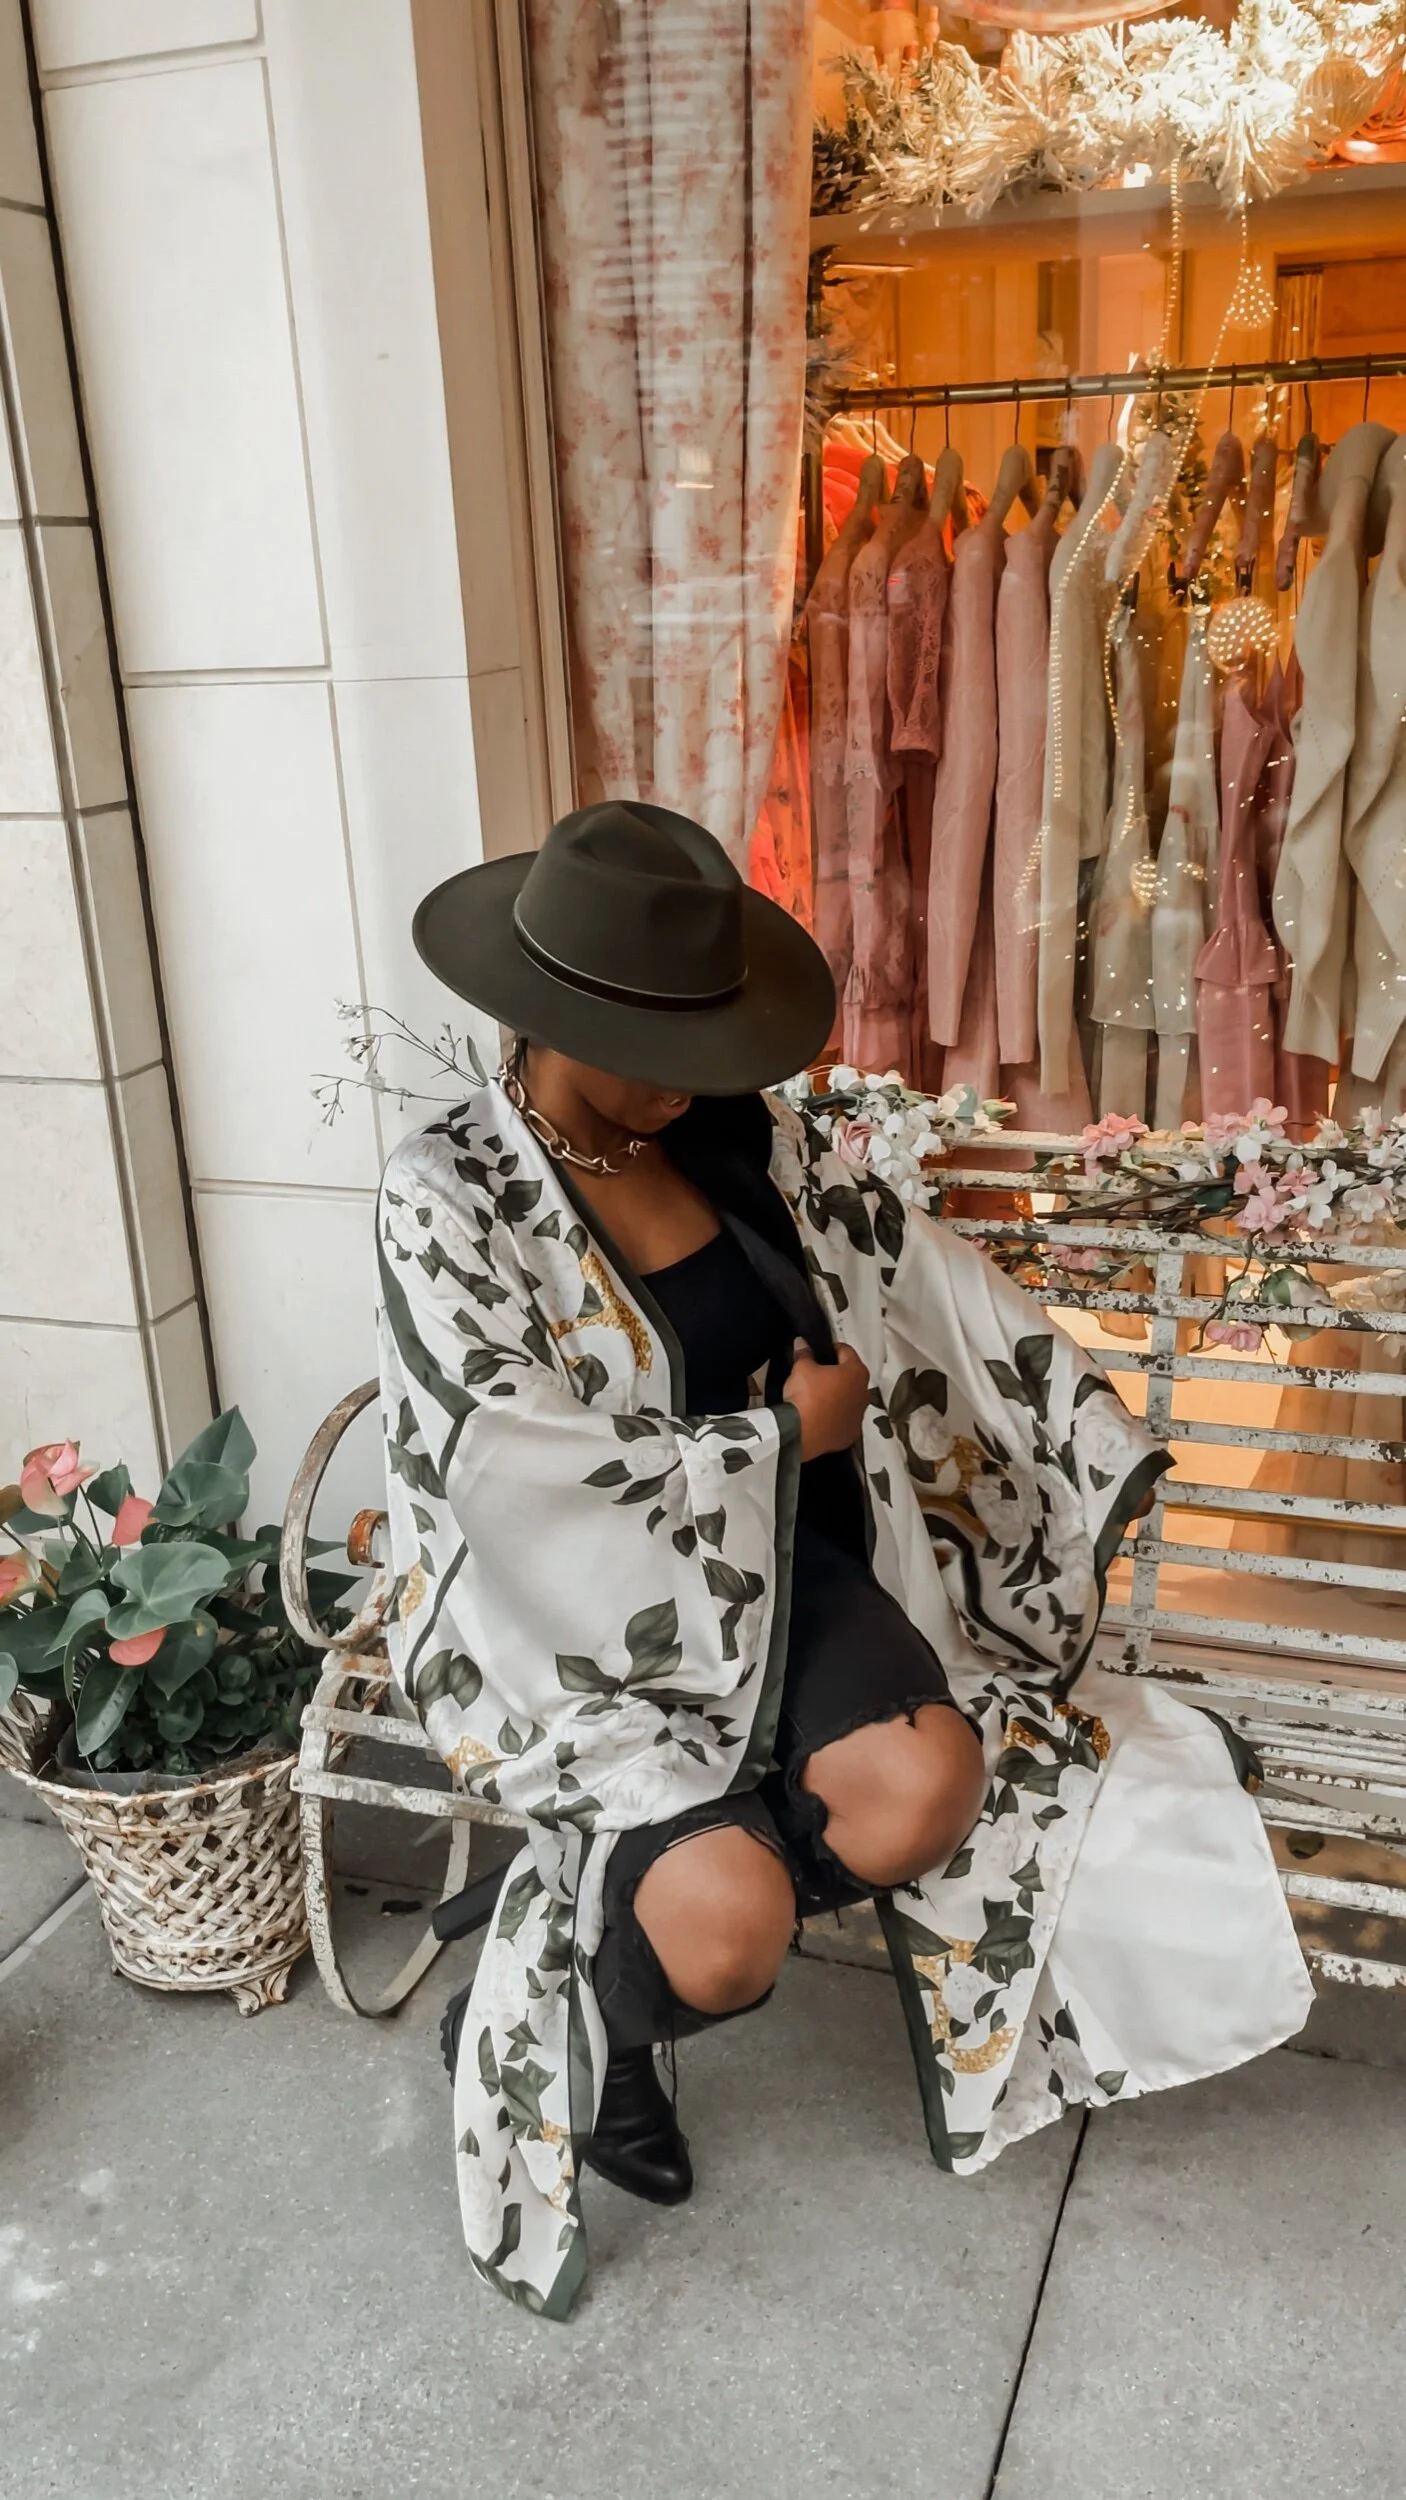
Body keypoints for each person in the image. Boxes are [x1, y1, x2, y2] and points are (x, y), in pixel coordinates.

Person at [378, 800, 1311, 2320]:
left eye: (707, 1039)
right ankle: (615, 1995)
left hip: (792, 1570)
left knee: (926, 1788)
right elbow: (500, 1465)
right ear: (551, 1014)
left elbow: (916, 1276)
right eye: (657, 1047)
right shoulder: (449, 1196)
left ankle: (617, 1910)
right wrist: (772, 1442)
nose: (691, 1077)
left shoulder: (739, 1135)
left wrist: (1075, 1421)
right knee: (731, 1936)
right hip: (578, 1625)